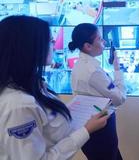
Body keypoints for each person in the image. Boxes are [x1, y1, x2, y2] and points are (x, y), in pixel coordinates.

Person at [0, 15, 109, 160]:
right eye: (50, 40)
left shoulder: (35, 85)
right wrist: (86, 130)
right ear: (28, 47)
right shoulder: (18, 105)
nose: (54, 44)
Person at [68, 23, 126, 160]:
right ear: (87, 46)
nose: (104, 41)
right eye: (100, 39)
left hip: (90, 125)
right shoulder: (93, 71)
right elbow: (119, 99)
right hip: (100, 128)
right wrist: (117, 70)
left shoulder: (81, 65)